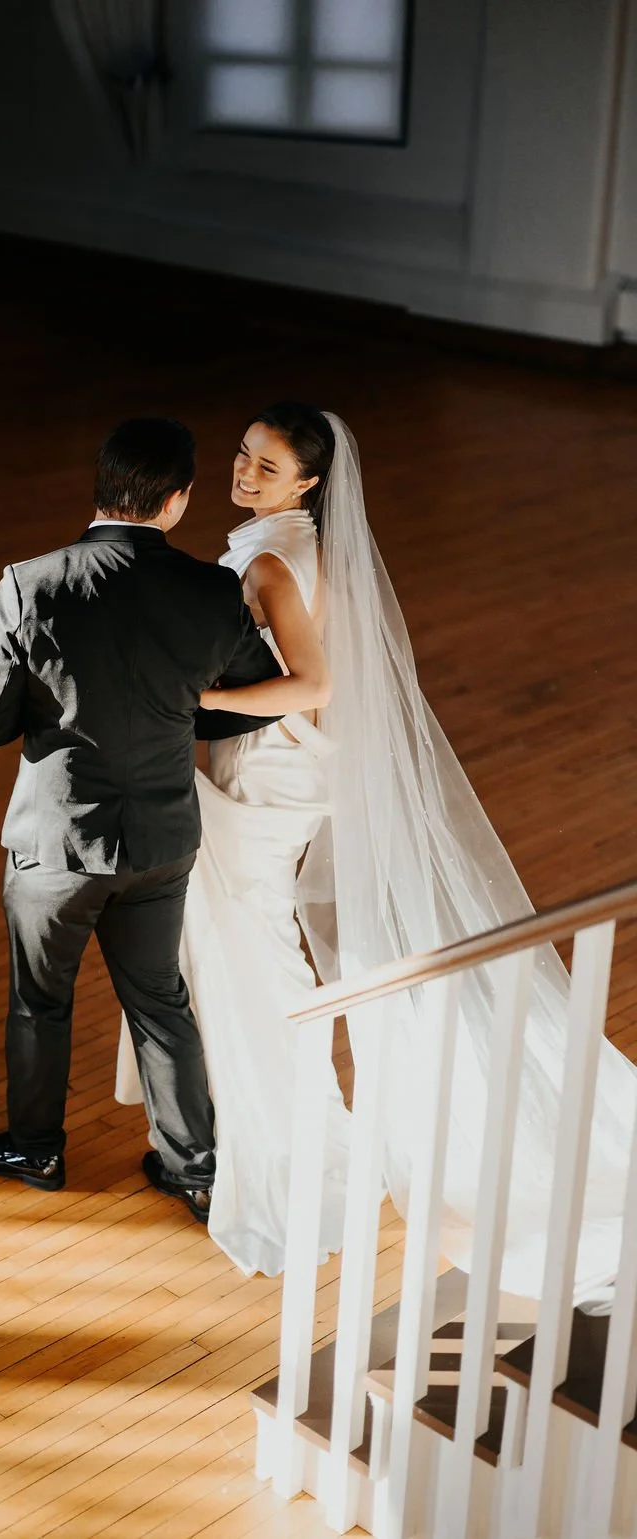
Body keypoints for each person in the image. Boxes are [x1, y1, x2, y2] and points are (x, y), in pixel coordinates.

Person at [116, 402, 637, 1309]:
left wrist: (186, 694)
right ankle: (234, 1136)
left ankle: (279, 1157)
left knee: (247, 959)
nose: (245, 474)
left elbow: (315, 683)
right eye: (242, 456)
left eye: (267, 468)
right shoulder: (297, 546)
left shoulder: (275, 558)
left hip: (268, 779)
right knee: (236, 950)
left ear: (309, 483)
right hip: (276, 771)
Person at [0, 417, 284, 1221]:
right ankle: (194, 1169)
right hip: (165, 838)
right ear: (177, 501)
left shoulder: (30, 584)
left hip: (57, 844)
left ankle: (36, 1149)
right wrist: (174, 716)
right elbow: (252, 701)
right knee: (160, 1000)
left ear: (102, 488)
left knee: (42, 999)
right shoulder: (212, 590)